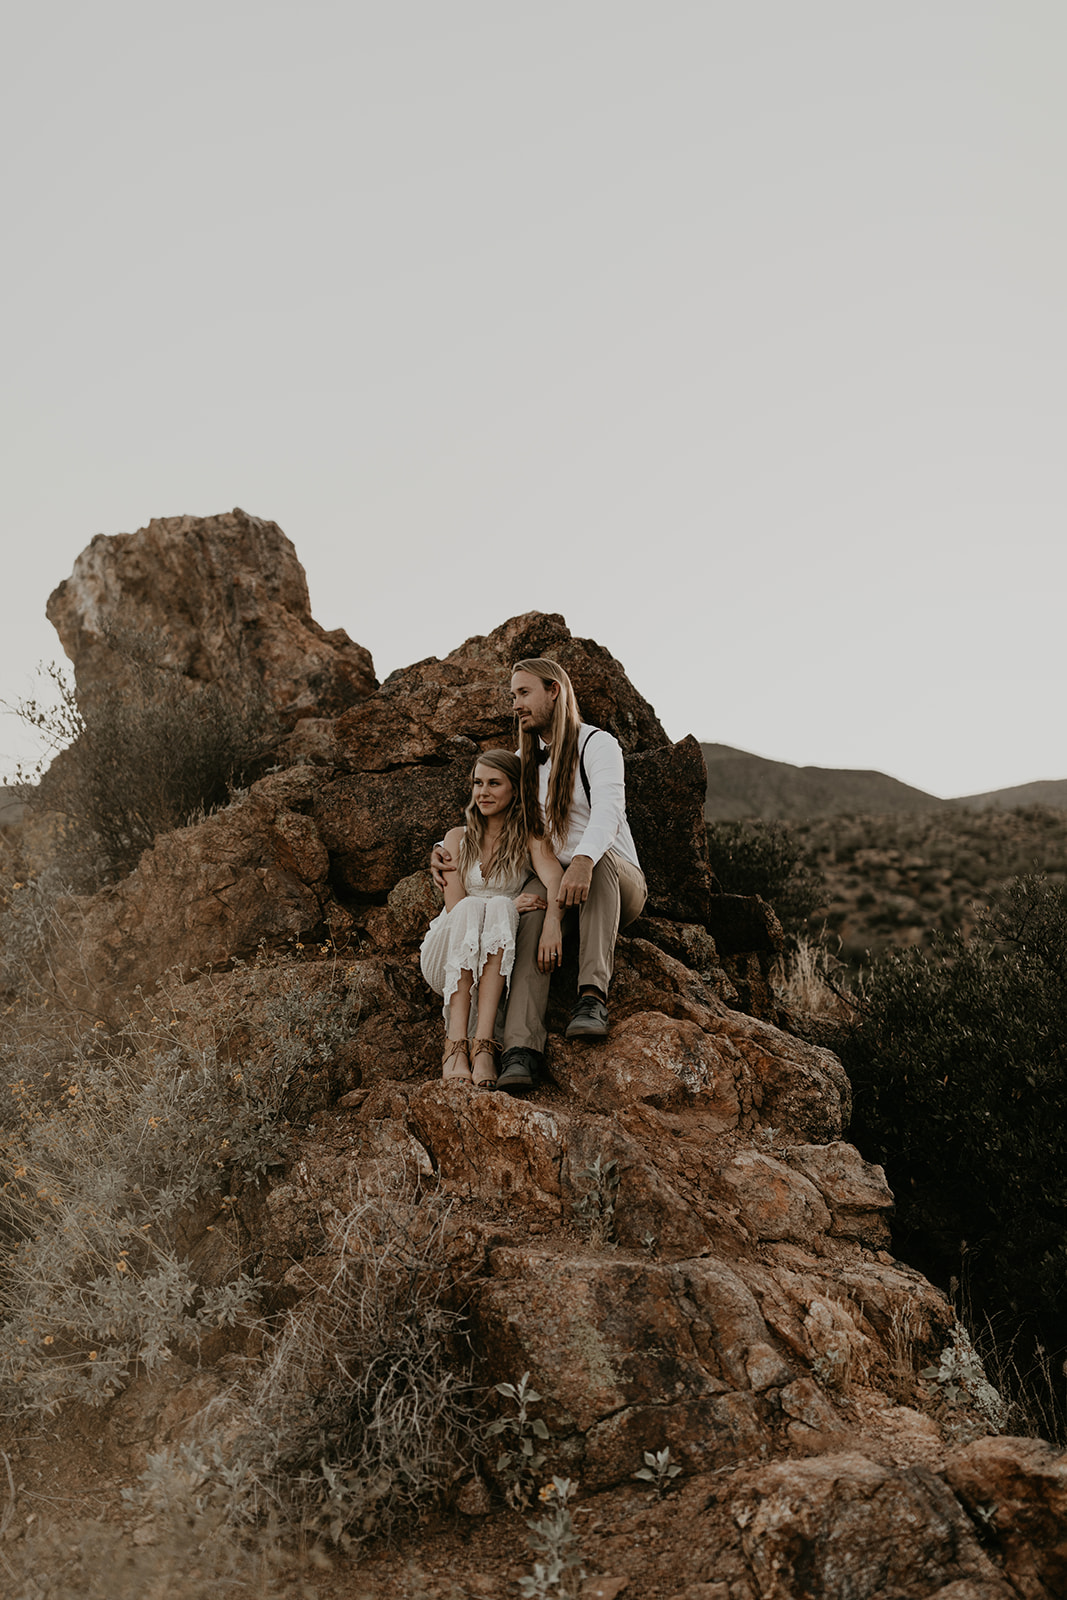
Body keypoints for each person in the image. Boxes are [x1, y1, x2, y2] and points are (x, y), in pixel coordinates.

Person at [433, 659, 647, 1094]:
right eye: (512, 696)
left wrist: (584, 860)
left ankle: (591, 997)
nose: (516, 705)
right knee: (526, 916)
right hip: (554, 875)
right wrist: (441, 849)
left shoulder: (597, 745)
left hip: (614, 878)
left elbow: (609, 810)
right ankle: (519, 1050)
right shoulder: (521, 762)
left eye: (523, 693)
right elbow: (481, 809)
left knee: (596, 859)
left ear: (554, 691)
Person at [420, 750, 563, 1089]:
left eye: (494, 784)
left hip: (494, 961)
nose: (482, 792)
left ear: (515, 790)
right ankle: (455, 1045)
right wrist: (513, 906)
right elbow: (456, 906)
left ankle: (483, 1046)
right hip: (449, 951)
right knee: (484, 907)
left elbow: (556, 880)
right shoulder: (457, 838)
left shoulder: (530, 837)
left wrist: (553, 922)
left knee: (498, 908)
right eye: (477, 783)